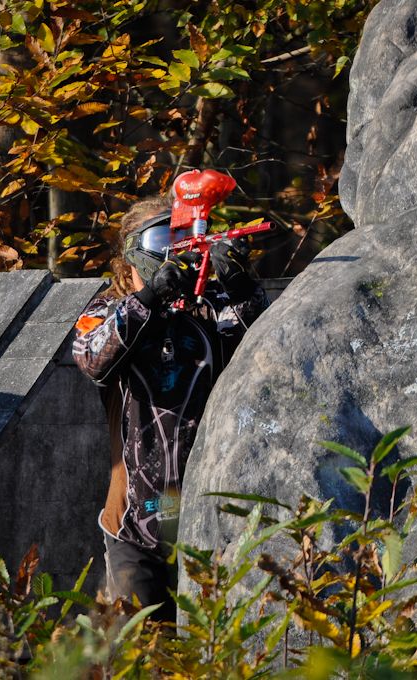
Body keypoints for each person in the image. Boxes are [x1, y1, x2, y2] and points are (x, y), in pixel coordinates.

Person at [72, 195, 267, 621]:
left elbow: (269, 358)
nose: (177, 251)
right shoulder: (106, 310)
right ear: (132, 252)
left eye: (186, 238)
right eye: (164, 239)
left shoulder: (212, 309)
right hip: (132, 531)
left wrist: (243, 288)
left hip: (209, 524)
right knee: (139, 658)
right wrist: (153, 298)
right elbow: (92, 358)